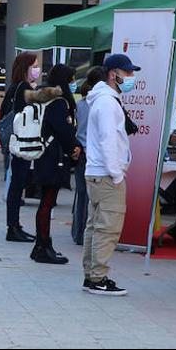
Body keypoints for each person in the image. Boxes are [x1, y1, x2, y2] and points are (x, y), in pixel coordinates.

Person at [81, 54, 138, 296]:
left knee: (95, 226)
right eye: (127, 73)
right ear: (114, 74)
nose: (131, 78)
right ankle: (98, 277)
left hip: (98, 173)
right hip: (106, 174)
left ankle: (93, 275)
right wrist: (116, 173)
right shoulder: (107, 102)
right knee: (107, 228)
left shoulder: (103, 99)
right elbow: (108, 140)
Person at [29, 83, 79, 265]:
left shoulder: (42, 100)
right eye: (71, 79)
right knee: (47, 202)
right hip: (53, 158)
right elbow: (63, 130)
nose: (73, 84)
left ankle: (40, 245)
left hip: (42, 155)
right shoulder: (58, 103)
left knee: (45, 202)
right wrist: (74, 147)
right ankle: (43, 246)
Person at [2, 51, 40, 243]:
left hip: (14, 141)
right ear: (26, 68)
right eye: (34, 66)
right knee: (17, 185)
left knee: (16, 184)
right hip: (22, 142)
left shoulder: (14, 87)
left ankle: (15, 225)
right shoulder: (23, 87)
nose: (37, 69)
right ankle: (13, 227)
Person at [71, 66, 105, 246]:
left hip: (81, 151)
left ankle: (77, 232)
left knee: (81, 194)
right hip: (93, 154)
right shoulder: (100, 104)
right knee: (92, 197)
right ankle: (85, 234)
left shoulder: (80, 104)